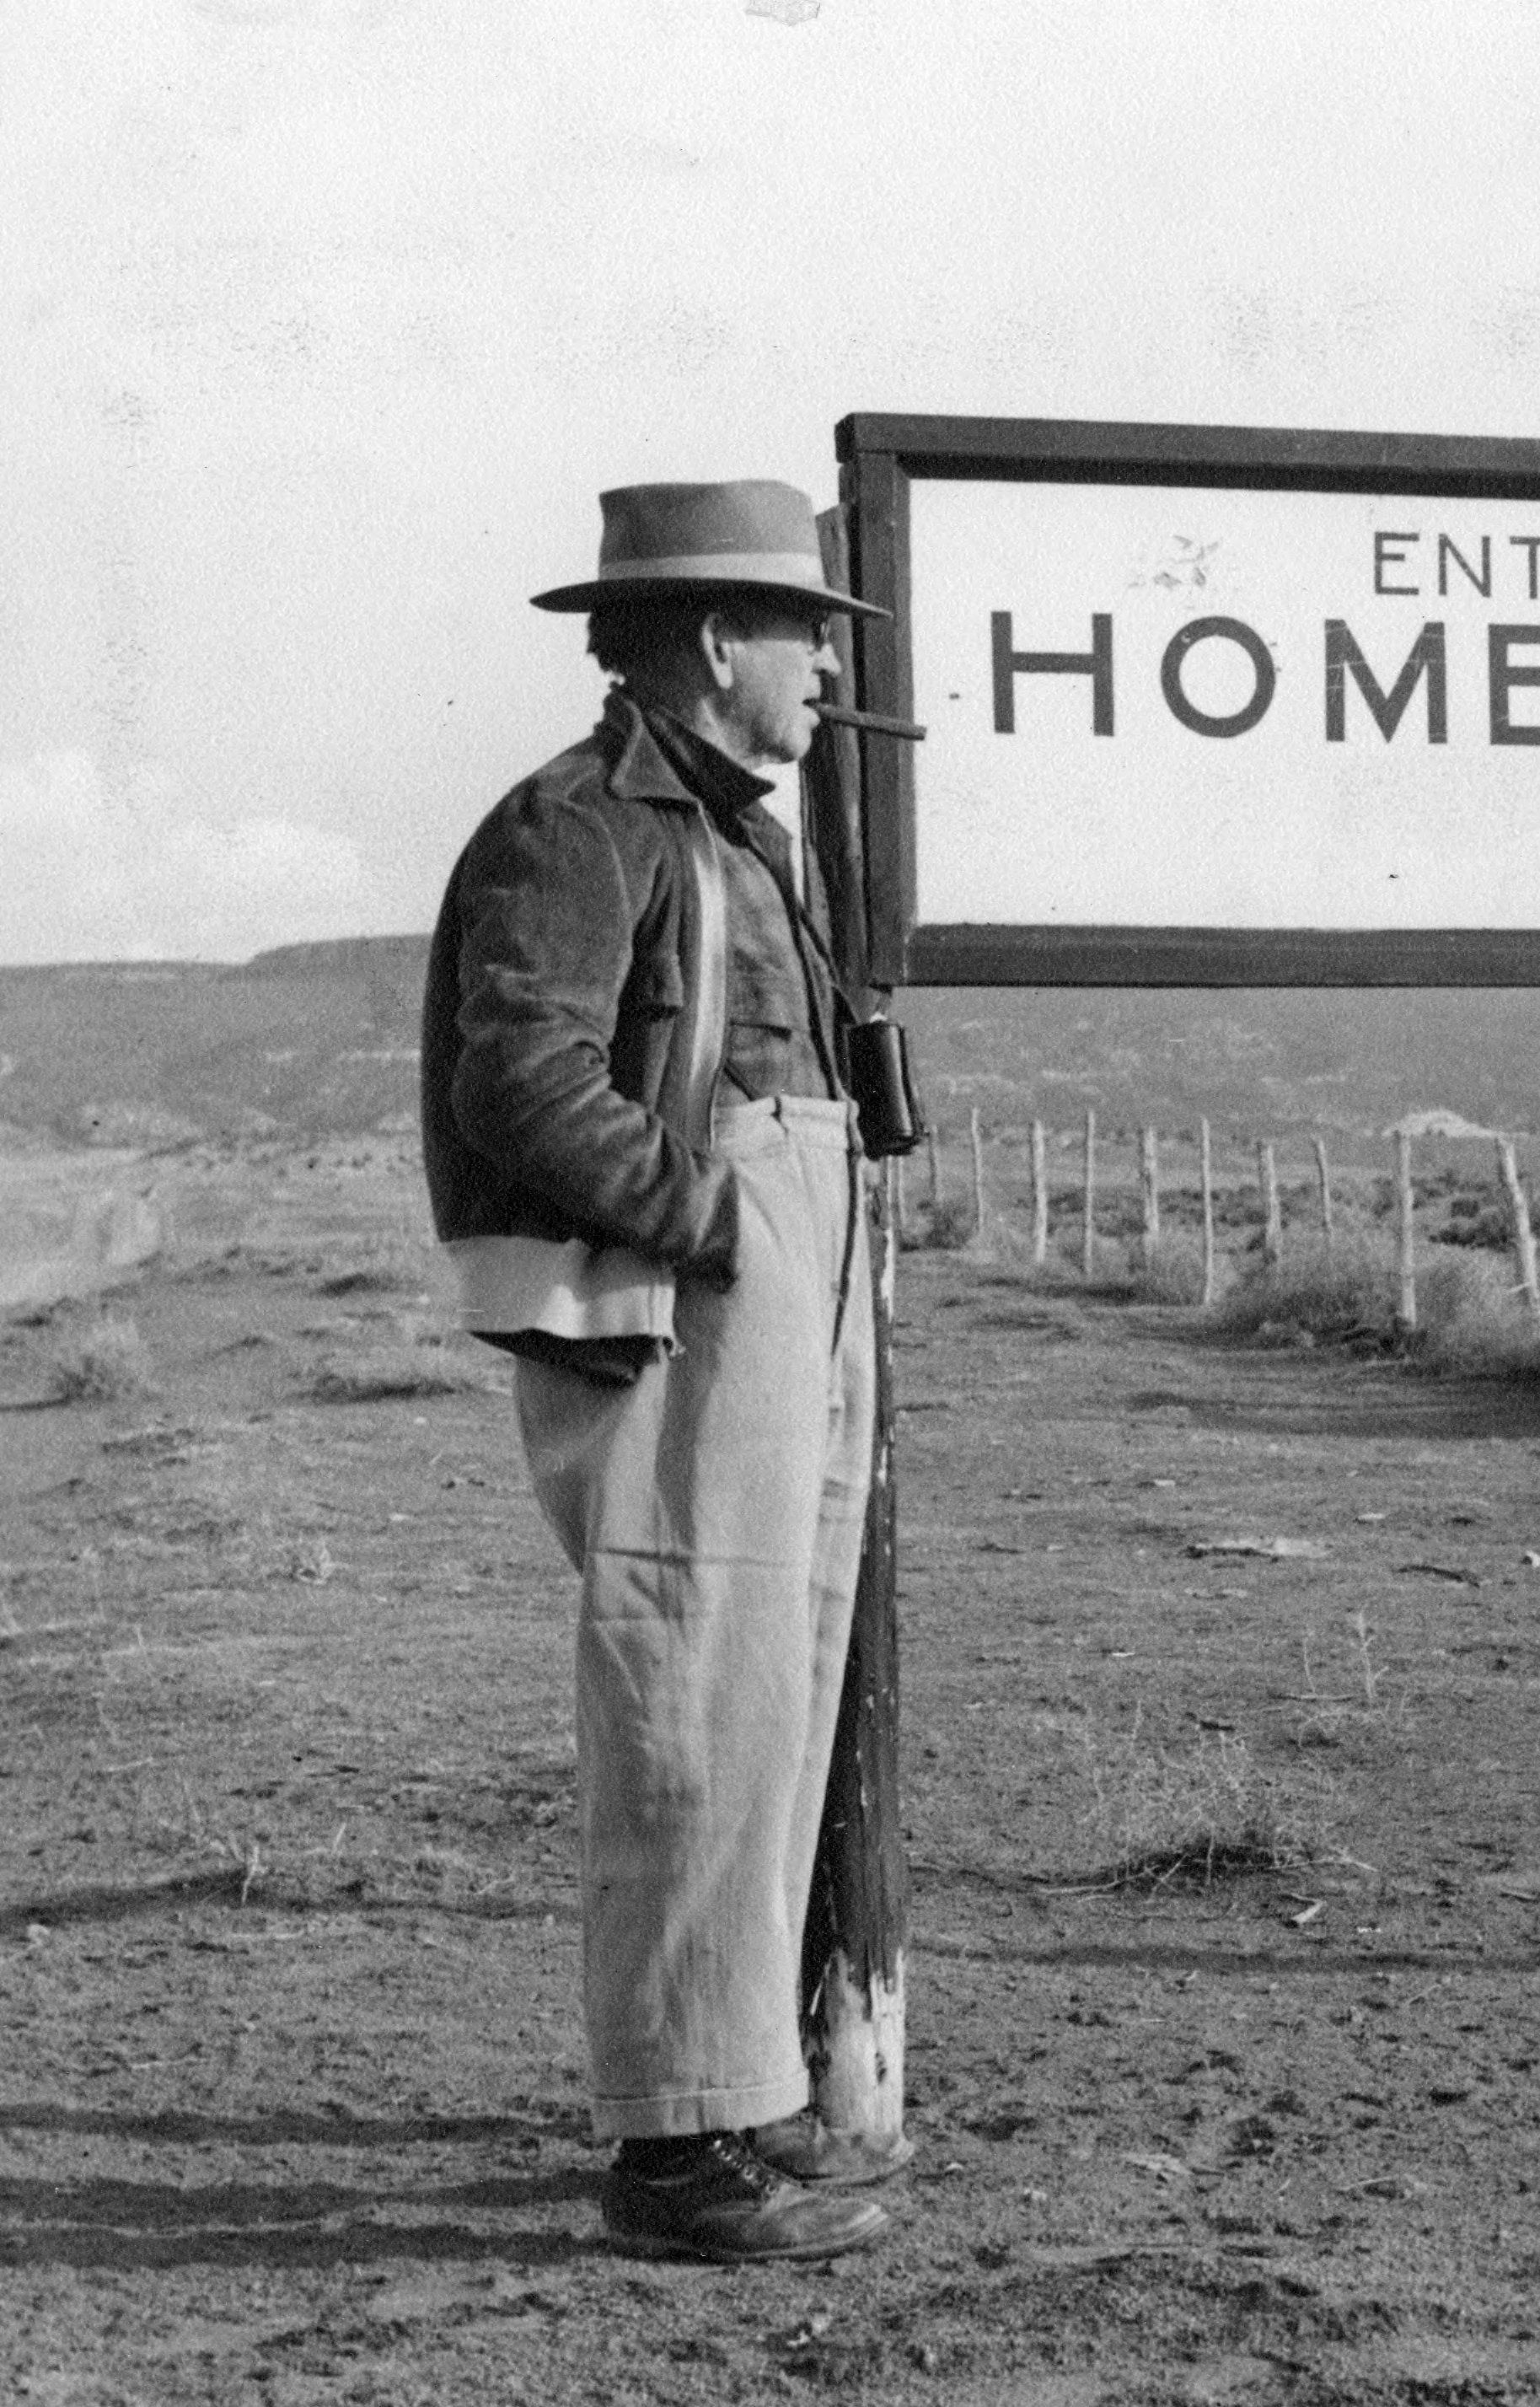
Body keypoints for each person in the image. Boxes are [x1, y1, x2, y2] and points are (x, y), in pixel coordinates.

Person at [421, 480, 898, 2262]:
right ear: (715, 643)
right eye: (805, 637)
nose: (825, 674)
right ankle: (676, 2146)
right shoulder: (584, 822)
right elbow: (519, 1074)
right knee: (690, 1697)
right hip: (685, 1296)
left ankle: (736, 2097)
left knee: (767, 1684)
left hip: (776, 1271)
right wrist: (704, 1216)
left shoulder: (730, 825)